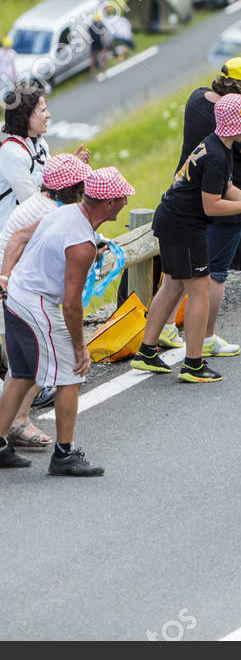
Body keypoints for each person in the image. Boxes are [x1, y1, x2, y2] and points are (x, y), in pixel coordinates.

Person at [131, 95, 241, 384]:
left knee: (174, 283)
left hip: (171, 220)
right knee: (199, 291)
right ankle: (193, 363)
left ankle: (146, 352)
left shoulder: (213, 143)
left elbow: (225, 186)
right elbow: (212, 205)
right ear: (237, 129)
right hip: (186, 227)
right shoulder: (216, 156)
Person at [0, 167, 133, 475]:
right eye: (122, 196)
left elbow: (21, 236)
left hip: (17, 294)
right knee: (70, 375)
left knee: (22, 373)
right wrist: (80, 347)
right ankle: (64, 455)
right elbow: (72, 306)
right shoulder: (82, 245)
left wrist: (5, 277)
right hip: (37, 304)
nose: (126, 199)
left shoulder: (68, 212)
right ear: (109, 203)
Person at [176, 58, 241, 354]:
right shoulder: (234, 119)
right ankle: (205, 339)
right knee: (215, 272)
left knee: (179, 273)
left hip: (189, 195)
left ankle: (168, 330)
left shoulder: (198, 98)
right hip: (227, 202)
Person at [0, 152, 91, 450]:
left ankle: (9, 429)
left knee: (25, 367)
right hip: (20, 290)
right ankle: (22, 424)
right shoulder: (52, 211)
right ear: (74, 187)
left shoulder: (49, 204)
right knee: (52, 363)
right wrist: (6, 279)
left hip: (17, 288)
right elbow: (17, 241)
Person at [1, 83, 86, 237]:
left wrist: (70, 166)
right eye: (43, 110)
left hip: (36, 228)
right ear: (26, 115)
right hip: (13, 237)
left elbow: (51, 181)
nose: (48, 115)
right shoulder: (12, 153)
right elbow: (30, 204)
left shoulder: (39, 143)